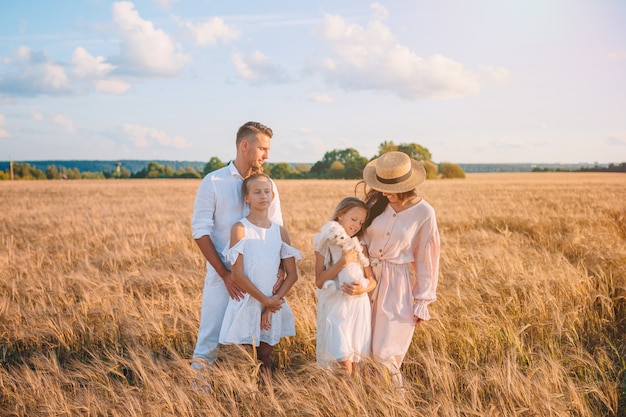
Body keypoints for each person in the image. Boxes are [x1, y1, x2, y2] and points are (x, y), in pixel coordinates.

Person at [190, 121, 283, 370]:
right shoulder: (214, 181)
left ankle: (256, 396)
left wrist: (281, 271)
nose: (267, 155)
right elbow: (200, 231)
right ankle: (198, 396)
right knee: (209, 340)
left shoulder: (268, 186)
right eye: (263, 148)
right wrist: (225, 274)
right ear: (244, 146)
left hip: (262, 279)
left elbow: (278, 229)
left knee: (262, 342)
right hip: (225, 279)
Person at [360, 151, 440, 388]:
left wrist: (422, 300)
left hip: (397, 287)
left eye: (389, 187)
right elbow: (360, 239)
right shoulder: (376, 203)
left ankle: (396, 406)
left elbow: (427, 257)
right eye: (380, 185)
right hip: (364, 280)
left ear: (406, 185)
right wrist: (365, 274)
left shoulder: (425, 213)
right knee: (361, 350)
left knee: (386, 355)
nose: (384, 192)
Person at [219, 173, 300, 373]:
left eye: (267, 191)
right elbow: (237, 274)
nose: (263, 196)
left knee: (265, 356)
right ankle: (248, 398)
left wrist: (272, 304)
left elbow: (292, 275)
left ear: (272, 195)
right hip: (247, 302)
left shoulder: (281, 232)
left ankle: (268, 398)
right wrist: (265, 300)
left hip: (273, 304)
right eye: (257, 192)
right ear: (247, 198)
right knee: (247, 359)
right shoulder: (240, 229)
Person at [313, 197, 377, 375]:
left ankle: (350, 400)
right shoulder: (324, 242)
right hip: (337, 307)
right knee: (342, 360)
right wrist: (343, 261)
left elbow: (372, 281)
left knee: (356, 361)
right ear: (340, 215)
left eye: (361, 222)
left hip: (358, 307)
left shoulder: (360, 246)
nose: (357, 225)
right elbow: (319, 281)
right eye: (354, 219)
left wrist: (362, 289)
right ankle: (342, 396)